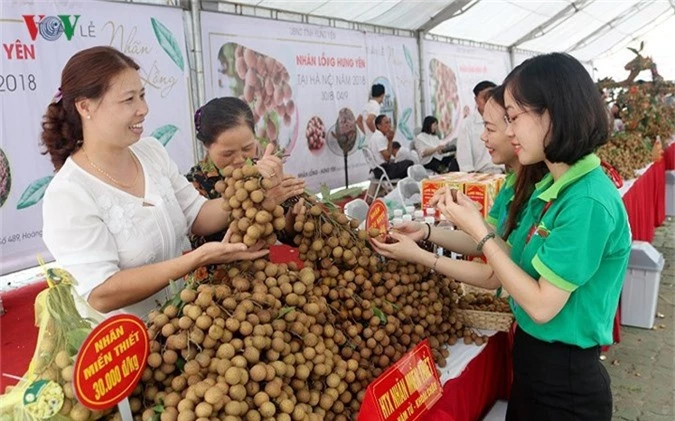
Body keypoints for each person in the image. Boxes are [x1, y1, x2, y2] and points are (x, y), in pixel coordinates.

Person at [436, 53, 630, 420]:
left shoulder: (587, 200)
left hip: (565, 384)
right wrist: (440, 236)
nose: (507, 132)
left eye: (513, 118)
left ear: (552, 113)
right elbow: (508, 256)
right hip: (533, 366)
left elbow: (542, 306)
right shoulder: (552, 190)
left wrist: (479, 232)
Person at [40, 46, 278, 319]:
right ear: (85, 107)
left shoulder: (151, 152)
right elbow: (100, 293)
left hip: (182, 322)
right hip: (122, 344)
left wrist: (256, 191)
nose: (143, 109)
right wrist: (195, 260)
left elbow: (198, 215)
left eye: (142, 95)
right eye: (129, 99)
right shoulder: (69, 193)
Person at [372, 84, 547, 280]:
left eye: (489, 128)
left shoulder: (548, 195)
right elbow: (484, 243)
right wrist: (425, 230)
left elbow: (496, 275)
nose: (482, 137)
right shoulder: (511, 185)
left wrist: (422, 255)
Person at [186, 96, 306, 249]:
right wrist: (256, 201)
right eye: (228, 154)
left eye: (247, 148)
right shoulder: (194, 183)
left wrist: (292, 218)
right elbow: (200, 245)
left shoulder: (260, 173)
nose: (239, 159)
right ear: (206, 146)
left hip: (262, 270)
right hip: (218, 271)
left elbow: (282, 235)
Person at [456, 81, 503, 173]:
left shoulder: (504, 120)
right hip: (480, 176)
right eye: (484, 97)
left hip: (504, 174)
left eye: (491, 97)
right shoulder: (467, 124)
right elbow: (464, 158)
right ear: (476, 100)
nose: (488, 101)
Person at [368, 114, 413, 180]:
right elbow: (387, 158)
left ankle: (398, 186)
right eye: (386, 123)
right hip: (383, 170)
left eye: (389, 122)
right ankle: (401, 187)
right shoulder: (379, 137)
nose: (389, 125)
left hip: (378, 169)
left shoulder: (376, 135)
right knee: (409, 163)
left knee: (402, 163)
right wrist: (390, 140)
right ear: (379, 126)